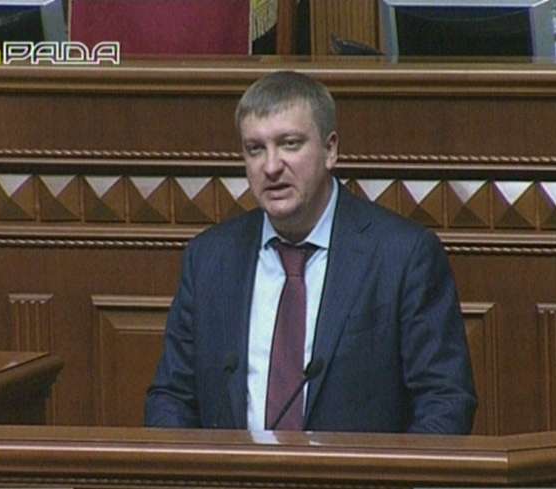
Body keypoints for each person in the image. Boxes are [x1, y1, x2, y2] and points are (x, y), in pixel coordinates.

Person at [145, 71, 477, 433]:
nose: (271, 166)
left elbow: (445, 400)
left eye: (289, 144)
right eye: (255, 149)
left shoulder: (402, 255)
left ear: (330, 149)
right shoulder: (210, 257)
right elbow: (172, 396)